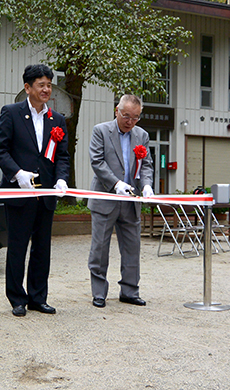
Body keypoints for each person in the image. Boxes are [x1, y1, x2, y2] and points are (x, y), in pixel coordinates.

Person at [0, 64, 70, 317]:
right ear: (28, 87)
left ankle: (38, 297)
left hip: (46, 194)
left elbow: (62, 157)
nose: (46, 89)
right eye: (41, 85)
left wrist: (61, 180)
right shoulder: (11, 113)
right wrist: (17, 173)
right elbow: (0, 150)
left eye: (49, 84)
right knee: (17, 247)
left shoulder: (57, 120)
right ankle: (17, 298)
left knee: (42, 248)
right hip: (19, 192)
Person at [87, 94, 154, 308]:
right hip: (106, 197)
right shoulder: (101, 131)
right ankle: (99, 292)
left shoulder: (142, 135)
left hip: (131, 200)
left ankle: (130, 291)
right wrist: (116, 184)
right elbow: (97, 161)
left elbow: (146, 165)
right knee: (100, 248)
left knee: (132, 248)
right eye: (126, 116)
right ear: (117, 110)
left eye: (135, 118)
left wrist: (146, 185)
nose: (130, 122)